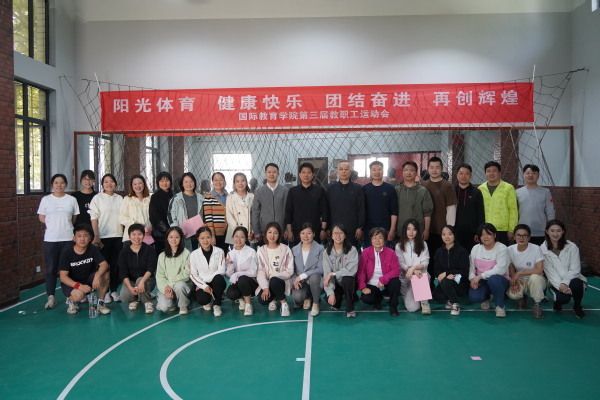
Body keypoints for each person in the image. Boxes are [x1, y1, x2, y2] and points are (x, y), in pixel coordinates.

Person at [38, 174, 80, 309]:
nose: (59, 185)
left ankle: (70, 296)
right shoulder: (46, 200)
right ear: (52, 184)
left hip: (68, 238)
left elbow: (73, 219)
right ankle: (51, 297)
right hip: (51, 239)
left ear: (65, 184)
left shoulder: (71, 200)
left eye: (62, 182)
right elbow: (41, 218)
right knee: (51, 269)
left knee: (69, 269)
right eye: (56, 182)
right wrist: (52, 225)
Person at [421, 157, 458, 290]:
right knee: (427, 259)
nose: (434, 170)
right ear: (428, 169)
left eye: (437, 167)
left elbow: (451, 208)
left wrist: (448, 230)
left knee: (441, 260)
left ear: (442, 169)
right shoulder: (423, 185)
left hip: (441, 231)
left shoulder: (447, 186)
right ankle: (427, 286)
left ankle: (444, 286)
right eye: (431, 167)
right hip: (426, 230)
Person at [58, 224, 111, 315]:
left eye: (85, 236)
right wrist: (78, 286)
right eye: (79, 236)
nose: (82, 239)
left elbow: (104, 264)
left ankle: (101, 304)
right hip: (72, 283)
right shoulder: (66, 254)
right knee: (79, 295)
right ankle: (72, 301)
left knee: (105, 275)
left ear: (90, 238)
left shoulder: (92, 249)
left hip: (88, 280)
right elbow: (63, 277)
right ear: (74, 238)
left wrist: (97, 277)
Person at [541, 219, 587, 318]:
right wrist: (562, 287)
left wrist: (565, 283)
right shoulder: (542, 250)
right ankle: (557, 304)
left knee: (577, 283)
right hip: (555, 282)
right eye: (552, 231)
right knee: (563, 299)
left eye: (558, 230)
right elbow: (550, 273)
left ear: (563, 231)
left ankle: (577, 306)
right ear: (547, 231)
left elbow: (575, 269)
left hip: (572, 279)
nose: (555, 234)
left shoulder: (572, 247)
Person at [89, 173, 124, 304]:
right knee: (104, 266)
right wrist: (96, 235)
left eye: (111, 181)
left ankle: (113, 290)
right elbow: (94, 217)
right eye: (106, 182)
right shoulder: (97, 198)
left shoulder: (119, 198)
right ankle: (105, 292)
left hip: (118, 236)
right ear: (102, 184)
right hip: (103, 237)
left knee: (116, 265)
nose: (109, 184)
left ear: (115, 183)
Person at [469, 223, 511, 317]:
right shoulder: (475, 248)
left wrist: (480, 276)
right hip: (482, 280)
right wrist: (472, 279)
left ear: (494, 235)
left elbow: (500, 269)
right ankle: (487, 297)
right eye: (482, 234)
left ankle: (500, 305)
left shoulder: (502, 249)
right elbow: (471, 267)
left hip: (499, 280)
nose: (485, 237)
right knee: (475, 297)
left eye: (488, 234)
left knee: (494, 279)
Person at [357, 227, 401, 316]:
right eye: (374, 238)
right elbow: (361, 271)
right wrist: (363, 287)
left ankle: (393, 306)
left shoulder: (391, 252)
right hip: (371, 283)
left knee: (396, 282)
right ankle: (378, 300)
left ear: (385, 239)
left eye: (380, 238)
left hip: (386, 283)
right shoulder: (365, 252)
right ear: (371, 240)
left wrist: (383, 280)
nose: (377, 240)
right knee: (366, 299)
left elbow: (397, 270)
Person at [506, 224, 546, 319]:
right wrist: (514, 280)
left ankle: (537, 304)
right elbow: (511, 268)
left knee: (535, 277)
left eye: (524, 235)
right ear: (514, 237)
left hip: (536, 279)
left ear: (529, 237)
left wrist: (520, 273)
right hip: (520, 280)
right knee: (513, 294)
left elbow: (539, 270)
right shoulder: (509, 249)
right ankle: (522, 297)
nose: (521, 238)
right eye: (518, 235)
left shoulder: (536, 249)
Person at [256, 222, 294, 316]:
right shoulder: (261, 250)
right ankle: (273, 299)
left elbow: (289, 270)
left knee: (274, 281)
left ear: (279, 234)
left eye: (275, 233)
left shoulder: (285, 249)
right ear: (265, 233)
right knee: (262, 300)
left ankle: (284, 303)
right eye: (269, 232)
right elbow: (260, 271)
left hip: (281, 281)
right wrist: (265, 287)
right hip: (267, 282)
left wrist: (274, 277)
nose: (272, 235)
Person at [118, 224, 157, 313]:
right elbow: (123, 272)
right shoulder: (123, 252)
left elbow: (151, 268)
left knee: (140, 280)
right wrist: (129, 287)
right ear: (129, 236)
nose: (137, 237)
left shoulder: (149, 249)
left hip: (148, 280)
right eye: (134, 234)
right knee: (124, 296)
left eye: (139, 234)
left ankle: (147, 302)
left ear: (143, 235)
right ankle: (134, 299)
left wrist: (142, 281)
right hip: (131, 281)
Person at [285, 163, 328, 245]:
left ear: (313, 175)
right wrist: (289, 231)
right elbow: (288, 212)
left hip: (315, 231)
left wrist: (323, 229)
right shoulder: (293, 191)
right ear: (299, 175)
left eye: (309, 172)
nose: (306, 175)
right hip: (297, 231)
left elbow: (324, 211)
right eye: (303, 172)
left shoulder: (319, 190)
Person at [395, 219, 431, 314]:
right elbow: (400, 263)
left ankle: (424, 302)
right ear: (404, 230)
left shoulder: (423, 244)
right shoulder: (399, 246)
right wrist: (410, 269)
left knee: (422, 275)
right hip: (406, 278)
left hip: (420, 275)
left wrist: (414, 268)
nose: (411, 232)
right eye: (408, 229)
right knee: (413, 308)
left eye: (414, 229)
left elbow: (425, 262)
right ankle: (417, 295)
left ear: (418, 231)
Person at [432, 225, 470, 316]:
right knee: (436, 296)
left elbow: (464, 272)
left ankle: (455, 303)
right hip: (445, 281)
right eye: (444, 234)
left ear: (454, 235)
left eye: (450, 234)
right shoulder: (439, 252)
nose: (447, 237)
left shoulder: (462, 251)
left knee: (446, 282)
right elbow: (436, 269)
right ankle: (450, 298)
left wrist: (448, 273)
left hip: (460, 283)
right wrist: (441, 275)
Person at [326, 160, 365, 249]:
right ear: (337, 171)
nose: (344, 171)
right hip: (335, 229)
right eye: (341, 169)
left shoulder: (357, 188)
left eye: (346, 169)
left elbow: (361, 208)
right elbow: (327, 209)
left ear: (350, 171)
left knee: (351, 253)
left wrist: (360, 227)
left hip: (352, 230)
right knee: (335, 254)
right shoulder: (331, 189)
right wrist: (328, 228)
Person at [478, 161, 518, 246]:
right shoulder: (480, 189)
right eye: (488, 171)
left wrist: (511, 229)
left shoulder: (508, 188)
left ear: (499, 173)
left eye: (494, 170)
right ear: (485, 173)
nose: (491, 173)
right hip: (485, 229)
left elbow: (513, 209)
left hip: (502, 229)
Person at [190, 226, 227, 317]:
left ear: (211, 237)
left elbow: (222, 270)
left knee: (219, 278)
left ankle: (217, 304)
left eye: (208, 237)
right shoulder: (194, 255)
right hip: (202, 283)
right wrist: (203, 285)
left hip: (215, 282)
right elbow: (193, 275)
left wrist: (205, 280)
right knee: (203, 300)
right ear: (198, 239)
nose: (205, 240)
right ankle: (206, 299)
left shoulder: (220, 251)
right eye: (202, 238)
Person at [156, 226, 194, 315]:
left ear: (181, 238)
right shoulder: (162, 256)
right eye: (171, 237)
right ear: (167, 238)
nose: (173, 240)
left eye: (177, 237)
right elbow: (160, 276)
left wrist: (170, 285)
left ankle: (183, 305)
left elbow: (186, 274)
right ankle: (172, 303)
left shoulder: (186, 253)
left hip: (181, 285)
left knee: (179, 285)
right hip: (167, 288)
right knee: (163, 307)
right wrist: (165, 289)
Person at [323, 224, 358, 318]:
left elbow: (351, 270)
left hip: (349, 282)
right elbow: (327, 274)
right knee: (334, 303)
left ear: (345, 235)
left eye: (341, 233)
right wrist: (330, 293)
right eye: (335, 233)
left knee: (347, 279)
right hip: (336, 284)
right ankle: (341, 296)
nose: (338, 236)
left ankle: (350, 308)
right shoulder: (326, 252)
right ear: (331, 236)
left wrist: (333, 273)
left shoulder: (352, 250)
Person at [516, 164, 555, 245]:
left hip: (540, 232)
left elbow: (550, 211)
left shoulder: (545, 192)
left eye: (534, 173)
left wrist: (551, 228)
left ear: (538, 175)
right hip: (522, 232)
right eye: (528, 173)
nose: (530, 175)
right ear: (523, 175)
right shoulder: (517, 192)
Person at [395, 161, 433, 242]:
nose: (408, 173)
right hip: (400, 232)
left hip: (418, 232)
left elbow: (427, 212)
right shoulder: (396, 190)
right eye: (406, 170)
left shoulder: (423, 191)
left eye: (411, 170)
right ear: (402, 173)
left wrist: (426, 230)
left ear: (416, 173)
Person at [362, 161, 398, 247]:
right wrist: (361, 229)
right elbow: (361, 210)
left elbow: (394, 211)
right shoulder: (364, 189)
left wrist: (392, 229)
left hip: (385, 230)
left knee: (384, 254)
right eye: (374, 169)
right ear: (370, 172)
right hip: (368, 229)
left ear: (383, 171)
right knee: (369, 254)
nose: (377, 172)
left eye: (379, 169)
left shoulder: (390, 189)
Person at [291, 223, 324, 317]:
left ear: (314, 234)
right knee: (297, 297)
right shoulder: (294, 250)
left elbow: (321, 269)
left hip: (316, 281)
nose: (305, 236)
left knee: (315, 276)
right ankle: (308, 297)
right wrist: (295, 281)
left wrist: (303, 275)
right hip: (302, 283)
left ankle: (315, 304)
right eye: (303, 233)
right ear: (299, 234)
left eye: (309, 233)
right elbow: (292, 271)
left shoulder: (321, 249)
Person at [252, 163, 289, 246]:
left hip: (281, 232)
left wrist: (287, 229)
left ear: (278, 174)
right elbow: (255, 212)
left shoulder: (284, 191)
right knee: (265, 253)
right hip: (264, 232)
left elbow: (288, 212)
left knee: (282, 253)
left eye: (274, 172)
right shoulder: (259, 191)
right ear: (265, 174)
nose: (272, 174)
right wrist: (256, 231)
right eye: (269, 172)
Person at [225, 227, 259, 316]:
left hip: (251, 283)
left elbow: (254, 272)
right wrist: (230, 265)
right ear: (232, 237)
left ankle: (248, 304)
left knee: (242, 278)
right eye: (236, 236)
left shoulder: (251, 252)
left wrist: (237, 274)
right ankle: (242, 299)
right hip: (237, 283)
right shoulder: (230, 254)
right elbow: (229, 276)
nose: (238, 239)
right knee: (231, 294)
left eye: (242, 237)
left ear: (246, 238)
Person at [168, 172, 205, 251]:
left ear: (194, 183)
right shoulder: (176, 199)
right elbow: (171, 215)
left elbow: (205, 214)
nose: (189, 184)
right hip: (183, 234)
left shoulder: (201, 198)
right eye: (186, 182)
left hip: (199, 234)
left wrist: (204, 224)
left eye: (191, 181)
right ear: (182, 184)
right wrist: (178, 230)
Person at [453, 164, 485, 253]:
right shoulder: (452, 191)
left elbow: (480, 213)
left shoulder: (476, 192)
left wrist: (479, 232)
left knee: (472, 256)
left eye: (467, 173)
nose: (464, 176)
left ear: (470, 176)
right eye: (461, 173)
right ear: (457, 175)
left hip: (472, 234)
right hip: (455, 233)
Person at [225, 172, 257, 249]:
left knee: (251, 255)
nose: (240, 183)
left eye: (243, 180)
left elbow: (256, 216)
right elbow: (229, 217)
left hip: (250, 235)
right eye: (237, 181)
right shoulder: (230, 198)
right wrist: (239, 233)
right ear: (234, 184)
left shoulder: (253, 197)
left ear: (246, 182)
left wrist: (253, 231)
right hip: (235, 233)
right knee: (236, 255)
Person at [119, 174, 152, 244]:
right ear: (132, 186)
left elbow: (153, 216)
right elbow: (122, 218)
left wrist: (151, 227)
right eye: (135, 184)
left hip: (147, 236)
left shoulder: (150, 199)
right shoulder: (127, 199)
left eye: (140, 183)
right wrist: (135, 223)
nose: (138, 186)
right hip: (131, 237)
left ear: (144, 184)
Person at [202, 172, 229, 255]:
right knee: (215, 256)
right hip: (215, 235)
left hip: (227, 233)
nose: (218, 182)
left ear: (224, 181)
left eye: (220, 179)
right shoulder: (209, 197)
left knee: (224, 256)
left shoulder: (229, 196)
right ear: (212, 182)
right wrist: (212, 235)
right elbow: (209, 218)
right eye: (215, 180)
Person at [149, 171, 174, 255]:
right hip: (161, 235)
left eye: (167, 180)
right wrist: (168, 231)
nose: (164, 183)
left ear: (170, 182)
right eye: (162, 181)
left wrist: (175, 231)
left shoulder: (175, 195)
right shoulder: (155, 197)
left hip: (176, 233)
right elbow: (154, 217)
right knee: (162, 257)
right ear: (158, 182)